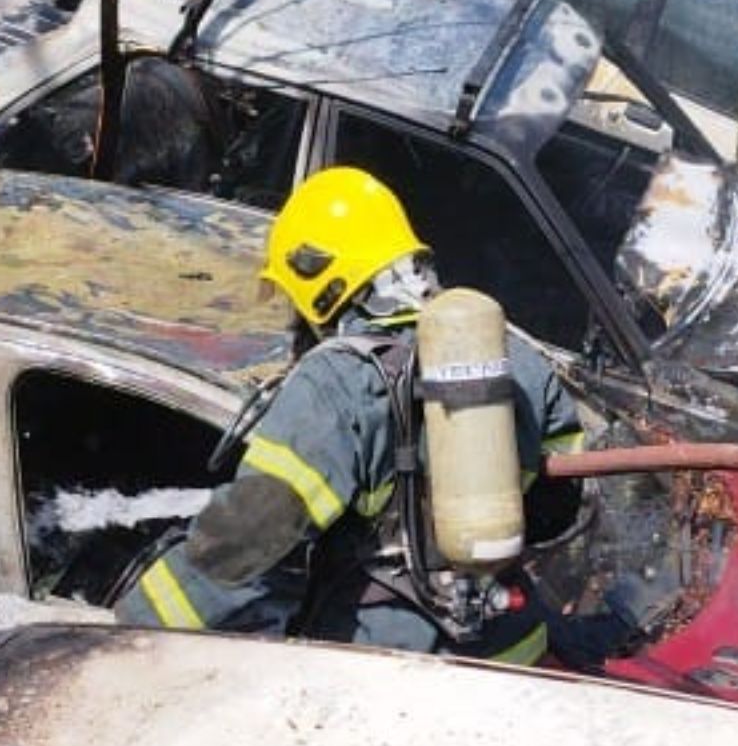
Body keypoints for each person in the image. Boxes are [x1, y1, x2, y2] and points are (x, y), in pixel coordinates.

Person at [114, 166, 584, 664]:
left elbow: (246, 542)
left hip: (390, 674)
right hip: (515, 650)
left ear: (319, 280)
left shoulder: (337, 381)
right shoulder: (514, 354)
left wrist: (128, 636)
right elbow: (561, 506)